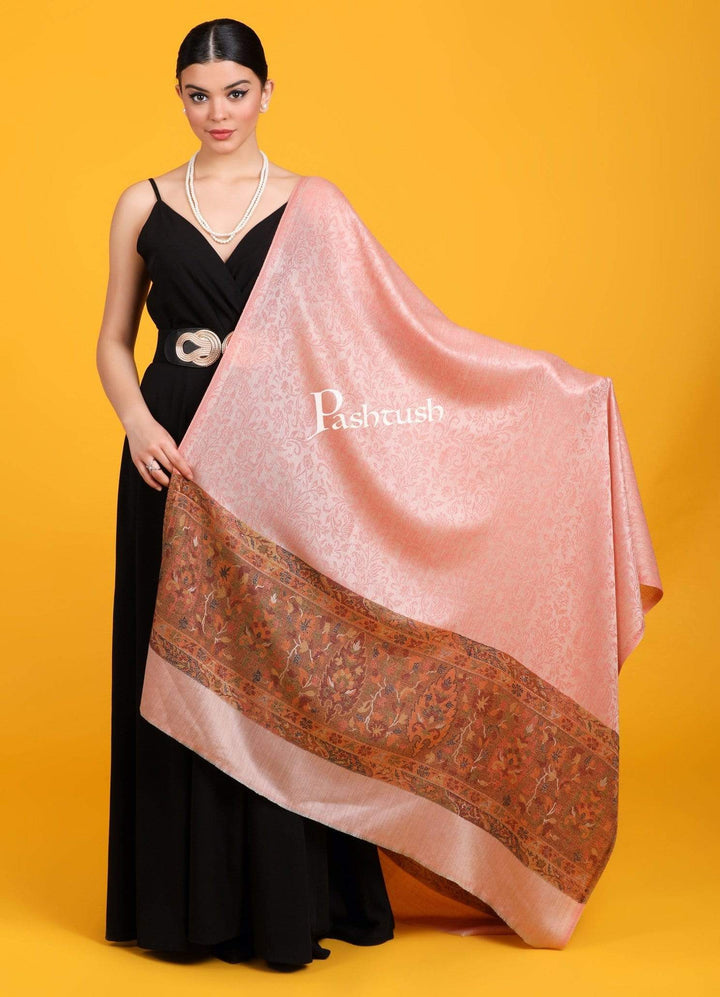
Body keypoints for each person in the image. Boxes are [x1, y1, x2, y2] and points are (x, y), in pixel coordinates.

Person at [95, 18, 396, 971]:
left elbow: (362, 340)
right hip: (171, 451)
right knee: (174, 659)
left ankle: (287, 901)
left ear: (267, 92)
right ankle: (184, 906)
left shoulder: (312, 203)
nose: (216, 112)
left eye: (234, 92)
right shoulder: (143, 203)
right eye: (198, 94)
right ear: (179, 97)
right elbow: (112, 339)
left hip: (277, 452)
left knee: (279, 666)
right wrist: (137, 421)